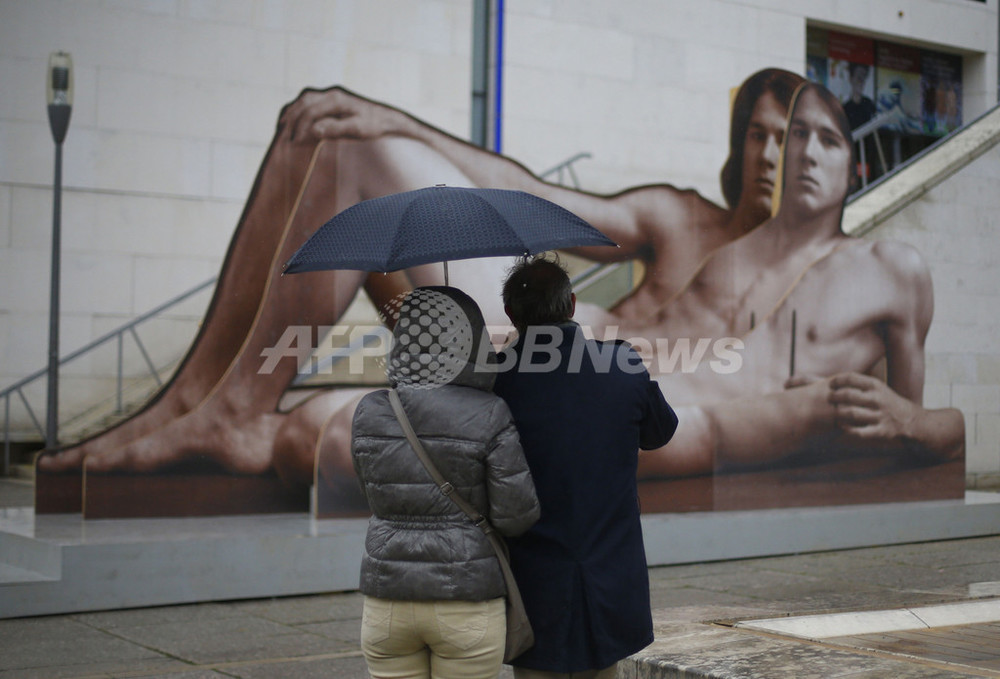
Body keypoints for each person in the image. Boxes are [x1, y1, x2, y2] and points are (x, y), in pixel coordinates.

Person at [35, 68, 802, 486]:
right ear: (740, 143)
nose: (771, 155)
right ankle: (195, 400)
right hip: (526, 340)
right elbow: (534, 193)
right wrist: (395, 118)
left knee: (354, 155)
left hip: (554, 376)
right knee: (331, 133)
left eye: (790, 140)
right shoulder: (680, 217)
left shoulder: (807, 276)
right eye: (760, 135)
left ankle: (231, 406)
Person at [632, 81, 964, 477]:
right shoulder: (737, 257)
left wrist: (909, 421)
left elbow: (915, 422)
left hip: (711, 426)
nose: (808, 153)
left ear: (851, 170)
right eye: (800, 135)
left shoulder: (889, 266)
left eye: (828, 140)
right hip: (671, 394)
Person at [492, 256, 678, 677]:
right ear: (572, 304)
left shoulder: (494, 380)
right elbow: (660, 431)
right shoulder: (621, 364)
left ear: (510, 314)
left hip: (532, 579)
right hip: (609, 573)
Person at [351, 286, 540, 678]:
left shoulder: (371, 410)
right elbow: (515, 516)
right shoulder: (489, 412)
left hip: (387, 601)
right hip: (465, 598)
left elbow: (372, 493)